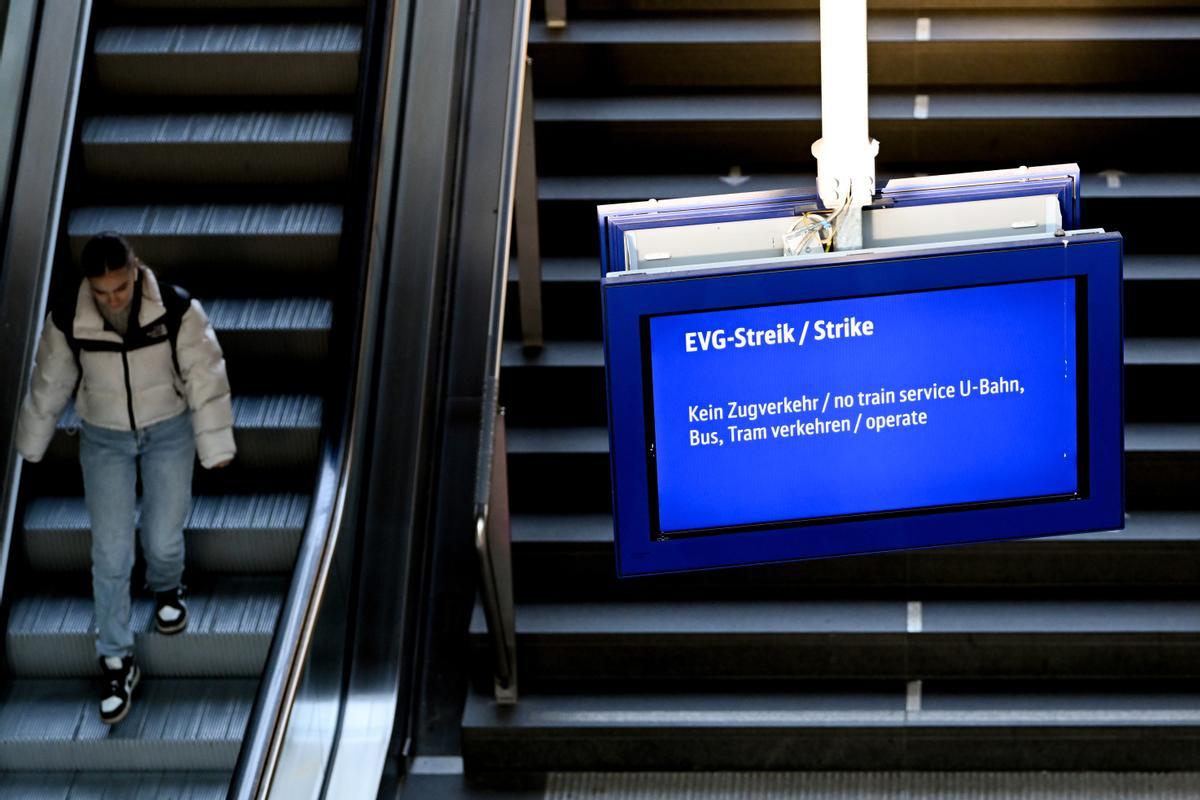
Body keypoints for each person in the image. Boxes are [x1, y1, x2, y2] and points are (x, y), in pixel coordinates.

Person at [15, 233, 235, 725]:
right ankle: (116, 659)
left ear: (135, 272)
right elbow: (50, 382)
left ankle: (168, 585)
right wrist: (31, 443)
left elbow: (206, 375)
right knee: (111, 551)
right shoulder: (70, 319)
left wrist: (215, 446)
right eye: (102, 291)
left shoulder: (175, 310)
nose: (113, 299)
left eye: (120, 287)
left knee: (162, 530)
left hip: (169, 429)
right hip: (104, 438)